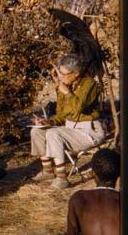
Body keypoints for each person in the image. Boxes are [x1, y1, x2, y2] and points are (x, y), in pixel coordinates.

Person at [31, 54, 105, 189]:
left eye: (64, 74)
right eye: (60, 73)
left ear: (75, 73)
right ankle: (48, 170)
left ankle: (62, 178)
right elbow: (61, 116)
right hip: (70, 130)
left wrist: (66, 93)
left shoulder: (90, 85)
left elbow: (78, 108)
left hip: (89, 131)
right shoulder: (66, 86)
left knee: (55, 134)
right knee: (37, 131)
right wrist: (47, 122)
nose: (61, 77)